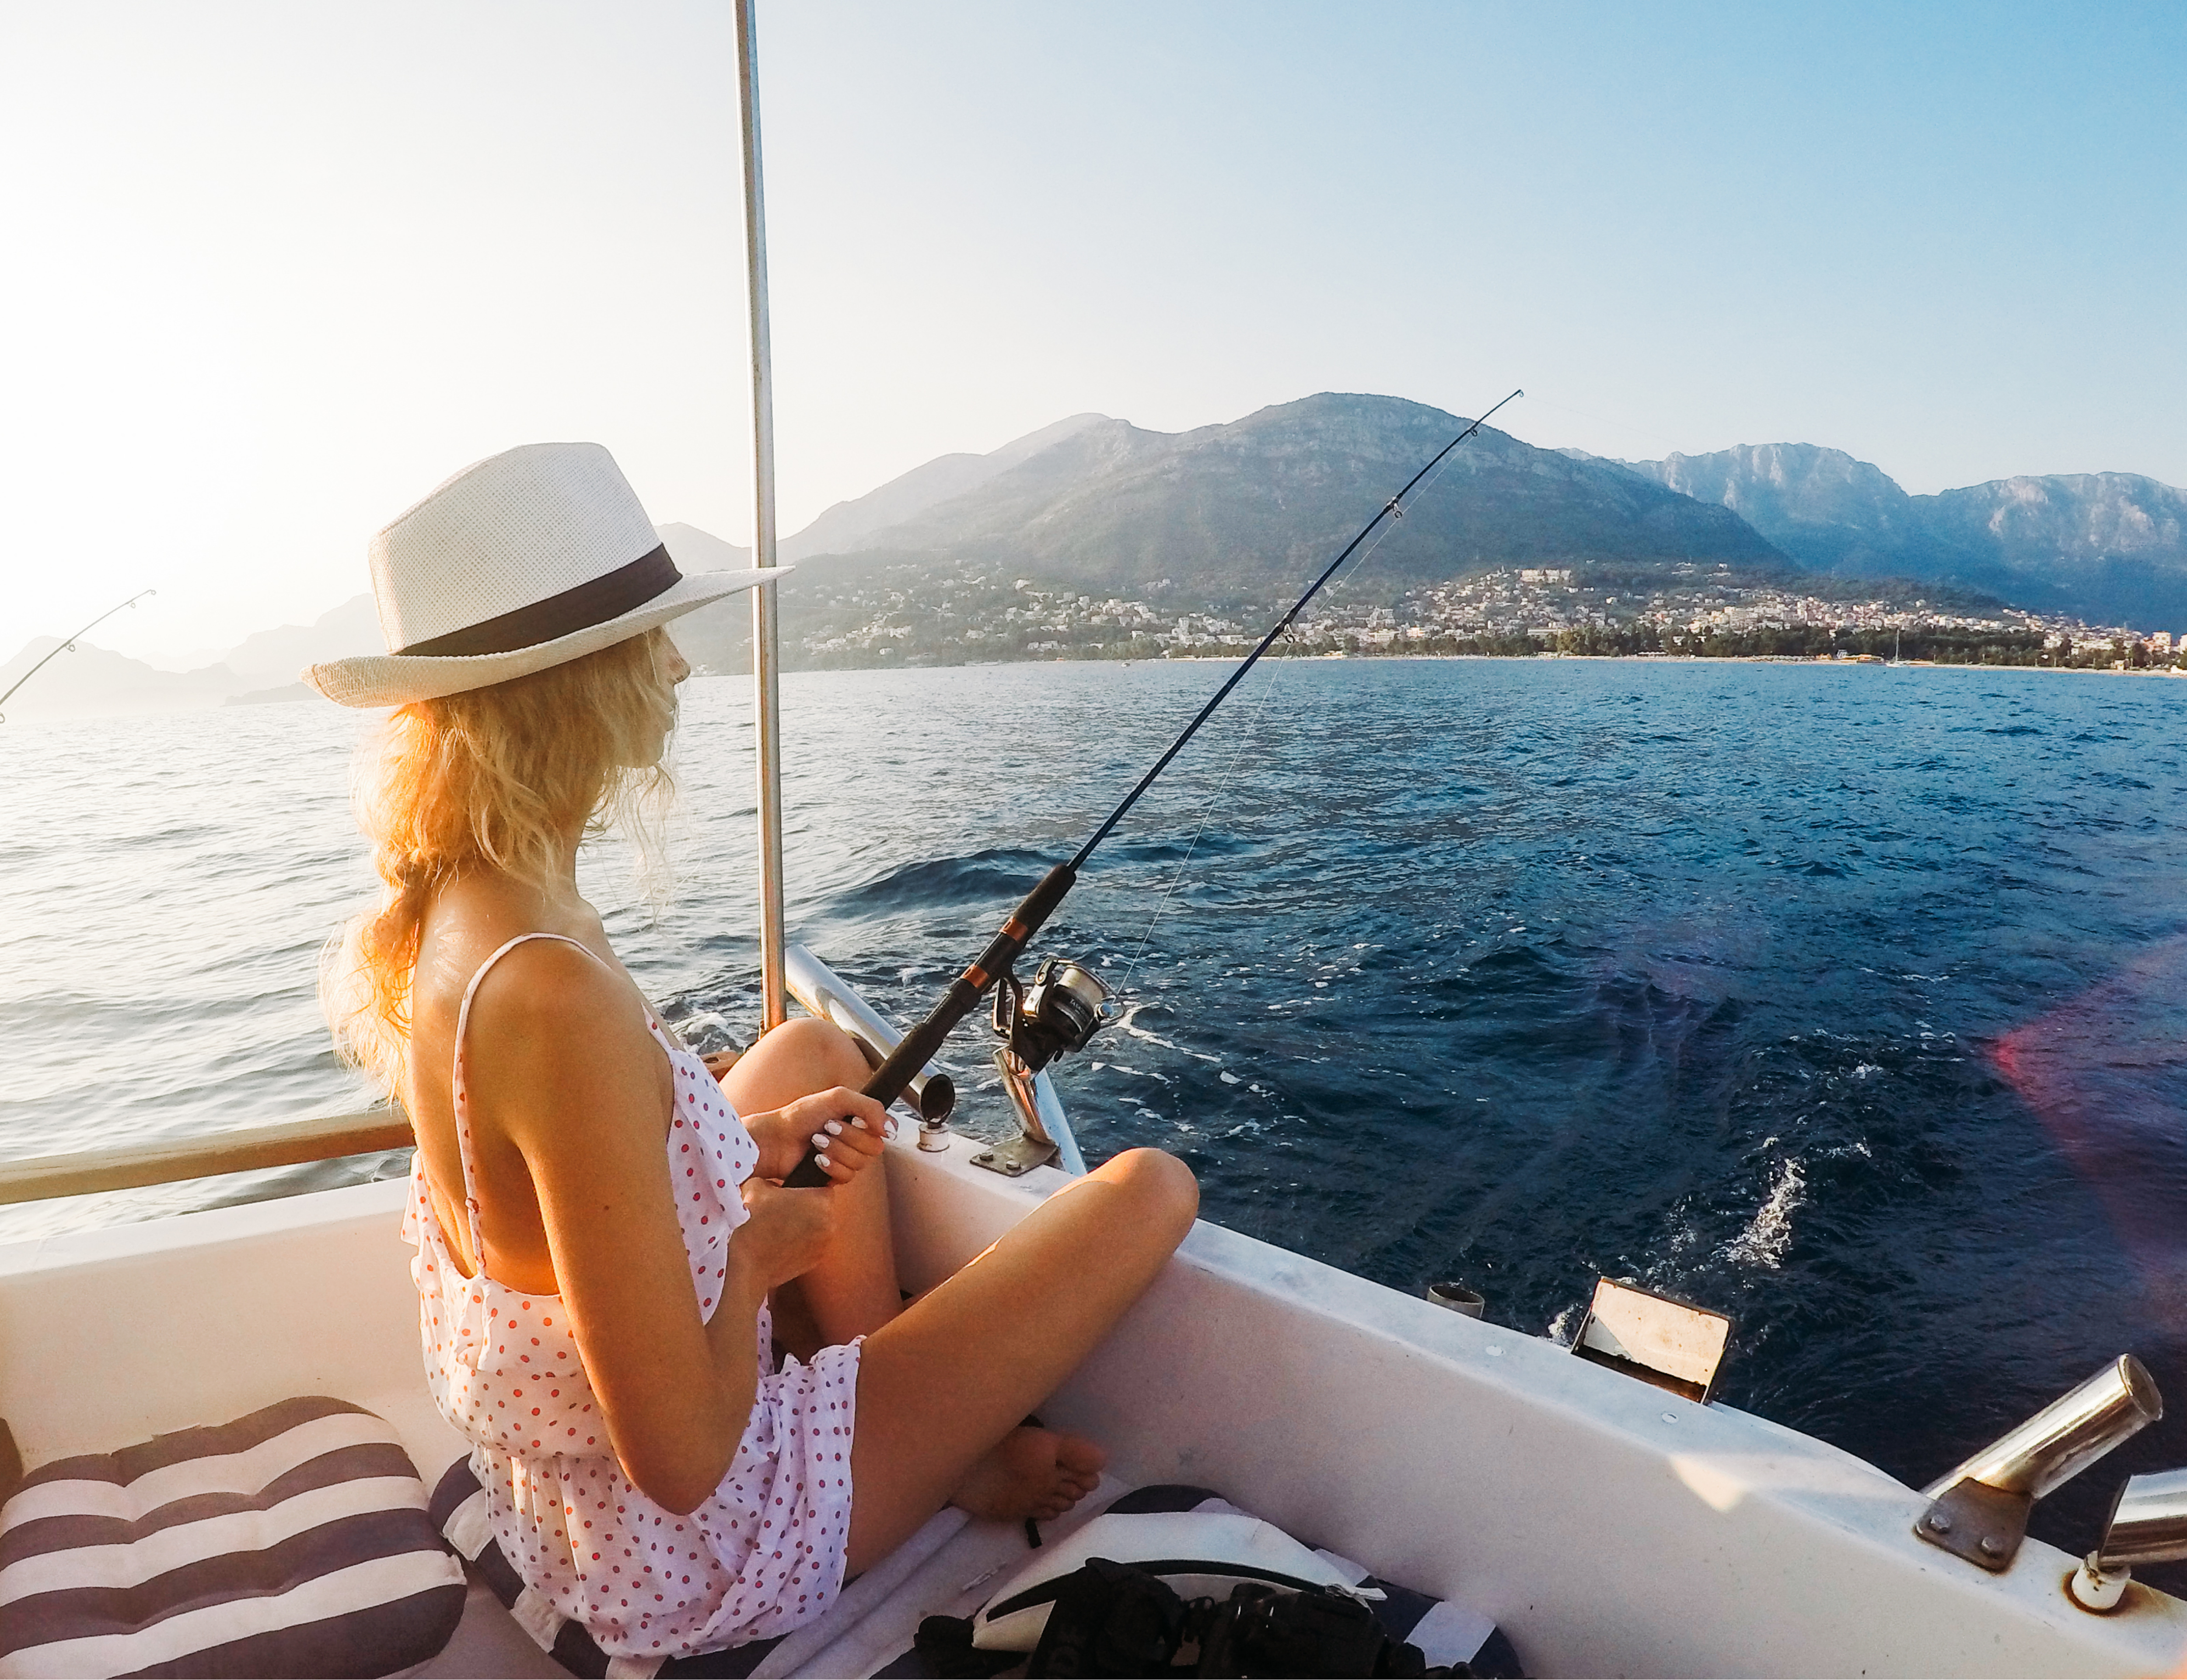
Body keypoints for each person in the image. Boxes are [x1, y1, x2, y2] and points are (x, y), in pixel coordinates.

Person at [310, 443, 1198, 1662]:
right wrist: (758, 1242)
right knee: (1151, 1189)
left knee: (802, 1050)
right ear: (570, 684)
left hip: (567, 1512)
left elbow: (560, 1217)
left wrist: (752, 1144)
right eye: (648, 637)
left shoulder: (471, 910)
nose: (677, 662)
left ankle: (898, 1424)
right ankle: (910, 1458)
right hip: (687, 1553)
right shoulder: (554, 995)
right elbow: (679, 1461)